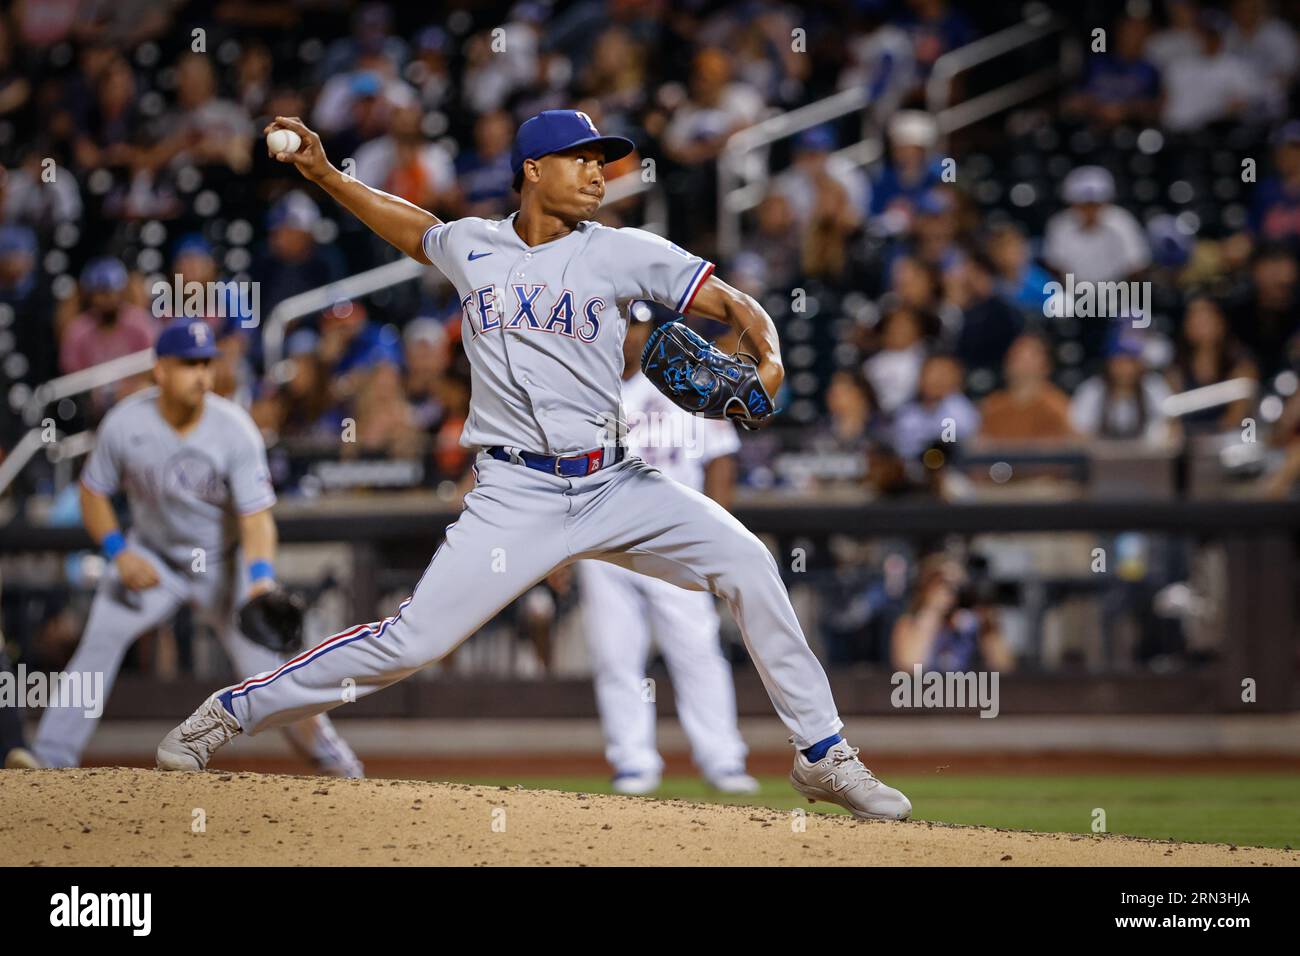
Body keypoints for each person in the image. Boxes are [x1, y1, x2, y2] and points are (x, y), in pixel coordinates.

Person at [156, 109, 912, 822]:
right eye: (580, 160)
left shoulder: (623, 249)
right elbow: (415, 230)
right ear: (532, 169)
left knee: (749, 561)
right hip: (514, 494)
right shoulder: (473, 244)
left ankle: (824, 755)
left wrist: (769, 366)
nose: (597, 173)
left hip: (616, 481)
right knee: (409, 643)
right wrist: (324, 174)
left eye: (603, 161)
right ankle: (226, 715)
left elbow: (741, 308)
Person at [34, 319, 363, 777]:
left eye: (206, 363)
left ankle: (340, 767)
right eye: (188, 364)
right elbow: (92, 492)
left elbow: (256, 517)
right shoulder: (125, 422)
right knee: (98, 644)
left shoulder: (234, 429)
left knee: (273, 678)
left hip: (222, 567)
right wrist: (118, 552)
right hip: (151, 558)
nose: (201, 374)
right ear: (161, 371)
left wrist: (259, 579)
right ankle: (48, 761)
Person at [576, 314, 758, 796]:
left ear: (649, 332)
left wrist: (717, 536)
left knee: (696, 649)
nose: (630, 335)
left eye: (638, 326)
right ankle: (632, 761)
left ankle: (723, 759)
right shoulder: (588, 392)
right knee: (616, 656)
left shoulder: (685, 382)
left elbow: (720, 459)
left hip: (674, 539)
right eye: (622, 325)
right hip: (604, 544)